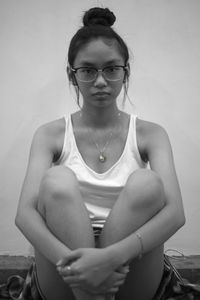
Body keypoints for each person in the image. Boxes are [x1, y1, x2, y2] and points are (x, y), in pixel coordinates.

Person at [15, 7, 186, 300]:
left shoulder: (151, 134)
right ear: (72, 75)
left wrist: (108, 259)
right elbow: (25, 215)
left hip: (130, 258)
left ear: (125, 71)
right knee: (56, 180)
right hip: (65, 261)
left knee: (147, 184)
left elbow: (175, 214)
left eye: (111, 68)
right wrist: (81, 269)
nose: (100, 81)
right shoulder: (50, 134)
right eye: (88, 70)